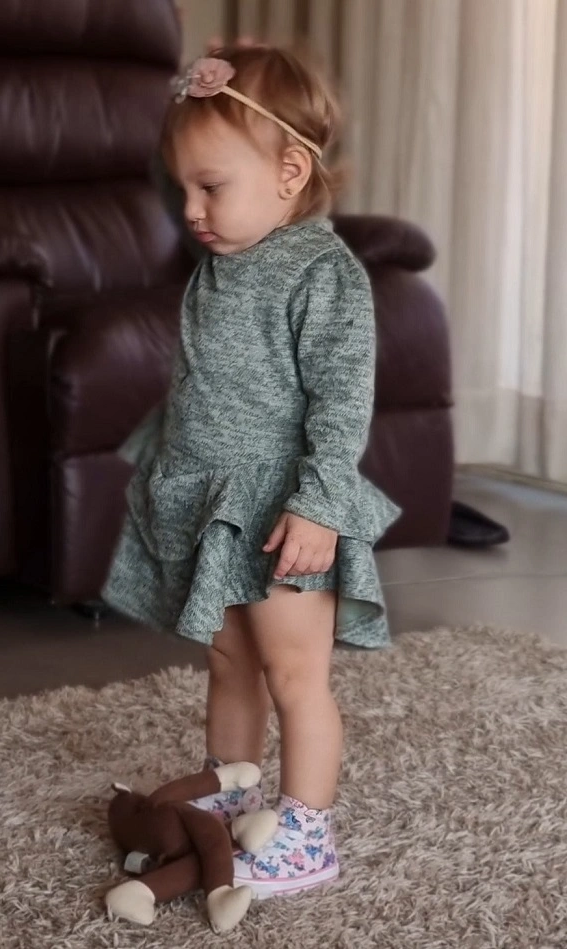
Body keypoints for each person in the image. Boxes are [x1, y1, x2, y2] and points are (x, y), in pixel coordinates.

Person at [104, 45, 399, 898]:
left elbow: (341, 401)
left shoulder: (322, 273)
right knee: (229, 661)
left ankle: (306, 833)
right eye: (183, 190)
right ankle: (230, 796)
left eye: (211, 187)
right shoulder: (219, 262)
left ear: (289, 172)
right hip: (218, 501)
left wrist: (319, 503)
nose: (192, 211)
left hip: (283, 509)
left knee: (295, 674)